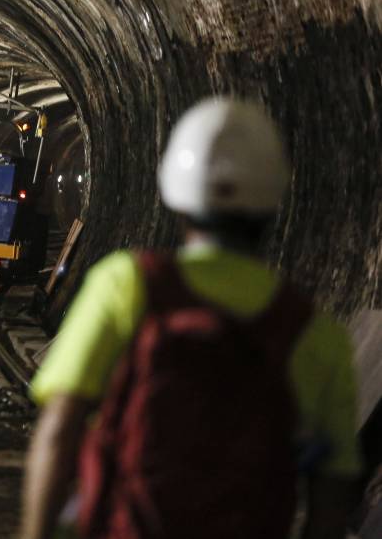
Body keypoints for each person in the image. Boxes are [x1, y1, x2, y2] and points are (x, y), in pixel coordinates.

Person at [20, 96, 361, 539]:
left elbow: (59, 429)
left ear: (173, 193)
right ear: (275, 200)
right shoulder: (316, 333)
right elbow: (331, 503)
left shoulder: (126, 285)